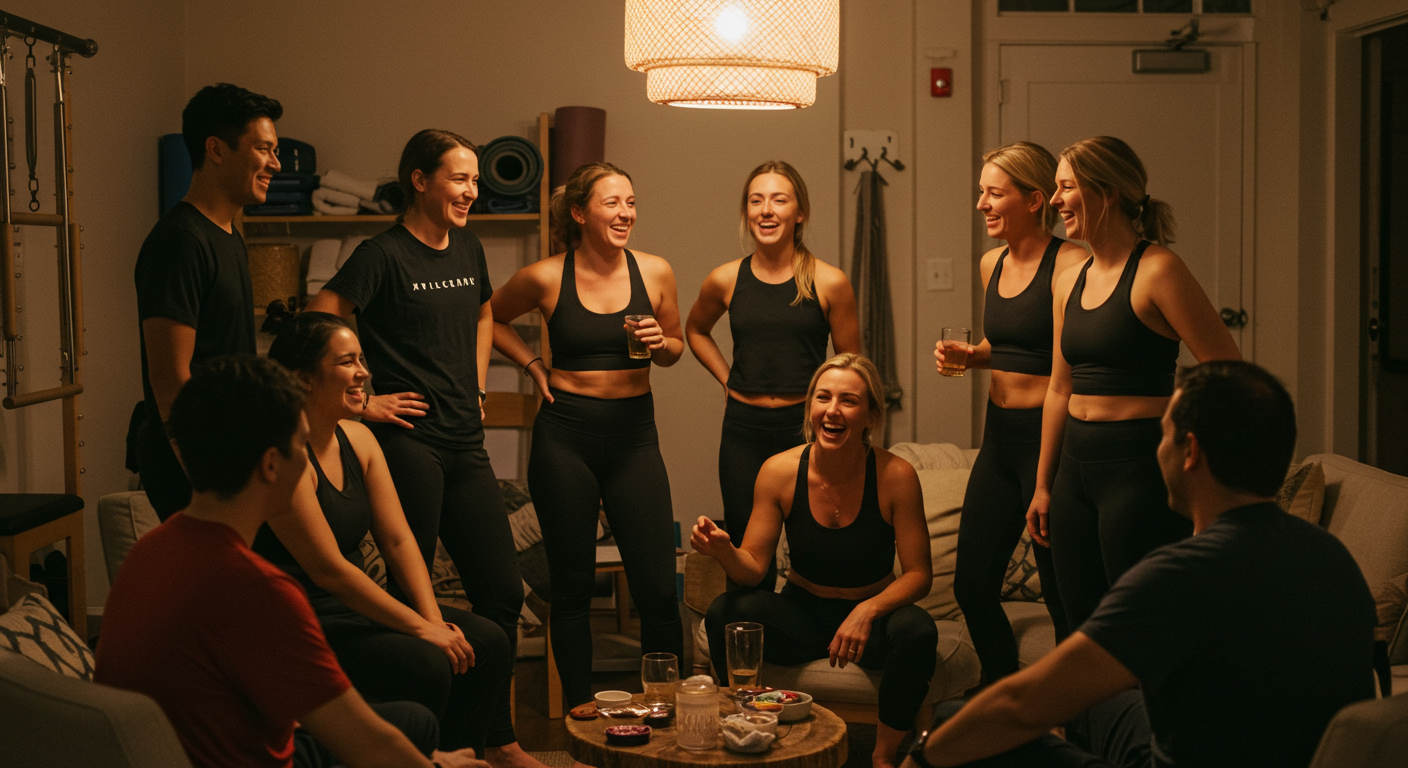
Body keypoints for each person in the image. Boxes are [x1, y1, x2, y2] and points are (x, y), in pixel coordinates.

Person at [903, 361, 1376, 768]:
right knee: (1093, 706)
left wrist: (922, 756)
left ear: (1190, 452)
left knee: (950, 726)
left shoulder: (1182, 574)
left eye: (1163, 434)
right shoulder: (1333, 557)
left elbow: (1022, 704)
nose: (1158, 449)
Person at [96, 356, 487, 768]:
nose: (308, 460)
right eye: (302, 445)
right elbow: (367, 743)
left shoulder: (151, 550)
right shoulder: (259, 590)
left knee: (414, 723)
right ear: (271, 464)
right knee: (407, 734)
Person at [254, 309, 547, 768]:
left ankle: (465, 757)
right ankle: (422, 759)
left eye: (361, 360)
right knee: (427, 661)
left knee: (487, 642)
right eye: (347, 362)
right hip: (308, 619)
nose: (363, 373)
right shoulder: (287, 457)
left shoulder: (359, 439)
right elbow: (330, 571)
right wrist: (420, 630)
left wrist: (431, 617)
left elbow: (398, 540)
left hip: (357, 608)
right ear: (303, 378)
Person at [307, 130, 524, 671]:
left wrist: (477, 385)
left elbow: (484, 313)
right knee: (413, 591)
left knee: (502, 594)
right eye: (459, 179)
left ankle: (490, 720)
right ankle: (427, 717)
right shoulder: (381, 255)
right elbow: (315, 324)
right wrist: (364, 404)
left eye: (476, 181)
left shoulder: (468, 247)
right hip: (409, 446)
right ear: (420, 180)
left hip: (466, 441)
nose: (472, 191)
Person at [1027, 136, 1241, 631]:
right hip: (1073, 473)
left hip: (1138, 471)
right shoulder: (1068, 279)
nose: (1055, 200)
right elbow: (1059, 388)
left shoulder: (1159, 270)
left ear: (1108, 193)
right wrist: (1042, 485)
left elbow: (1228, 371)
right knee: (1077, 625)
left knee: (1138, 625)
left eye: (1066, 187)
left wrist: (1197, 464)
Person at [491, 161, 685, 708]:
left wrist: (661, 344)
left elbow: (675, 348)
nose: (626, 213)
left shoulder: (656, 271)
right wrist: (533, 365)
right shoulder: (546, 276)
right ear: (579, 213)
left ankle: (665, 709)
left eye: (631, 202)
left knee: (656, 588)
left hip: (634, 437)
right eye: (612, 203)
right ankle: (580, 712)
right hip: (565, 438)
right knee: (572, 587)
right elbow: (490, 315)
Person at [693, 353, 936, 768]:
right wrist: (723, 551)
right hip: (802, 615)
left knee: (918, 630)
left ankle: (883, 757)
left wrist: (867, 611)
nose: (833, 410)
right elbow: (752, 568)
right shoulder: (779, 471)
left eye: (848, 400)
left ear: (870, 417)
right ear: (810, 408)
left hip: (871, 622)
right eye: (823, 398)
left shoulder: (896, 475)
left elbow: (919, 575)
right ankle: (748, 732)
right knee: (725, 612)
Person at [935, 142, 1086, 683]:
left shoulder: (1071, 263)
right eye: (982, 192)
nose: (982, 204)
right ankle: (1002, 696)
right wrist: (972, 355)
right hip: (998, 439)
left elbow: (1068, 365)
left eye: (994, 194)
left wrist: (1045, 480)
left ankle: (1074, 710)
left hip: (1051, 443)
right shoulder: (990, 263)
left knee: (1064, 595)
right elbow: (1010, 346)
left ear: (1035, 200)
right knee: (972, 586)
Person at [686, 160, 860, 586]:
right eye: (756, 200)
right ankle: (751, 628)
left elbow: (852, 367)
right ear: (747, 212)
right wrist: (727, 379)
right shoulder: (725, 278)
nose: (766, 210)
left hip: (806, 430)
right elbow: (695, 330)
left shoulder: (830, 282)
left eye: (779, 200)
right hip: (743, 431)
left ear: (799, 213)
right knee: (747, 558)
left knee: (815, 548)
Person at [132, 83, 282, 520]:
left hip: (232, 453)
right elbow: (169, 379)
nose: (275, 163)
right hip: (200, 469)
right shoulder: (180, 242)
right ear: (216, 149)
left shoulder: (229, 235)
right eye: (263, 149)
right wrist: (208, 478)